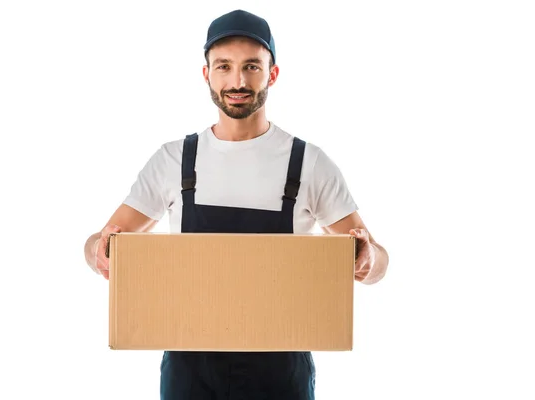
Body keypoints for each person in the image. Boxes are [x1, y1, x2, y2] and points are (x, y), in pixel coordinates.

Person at [83, 9, 389, 400]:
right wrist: (99, 249)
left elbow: (376, 262)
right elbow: (101, 242)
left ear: (272, 74)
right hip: (190, 372)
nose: (238, 81)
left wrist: (367, 259)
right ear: (207, 73)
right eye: (224, 67)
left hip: (281, 373)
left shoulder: (309, 162)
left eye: (251, 67)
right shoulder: (174, 160)